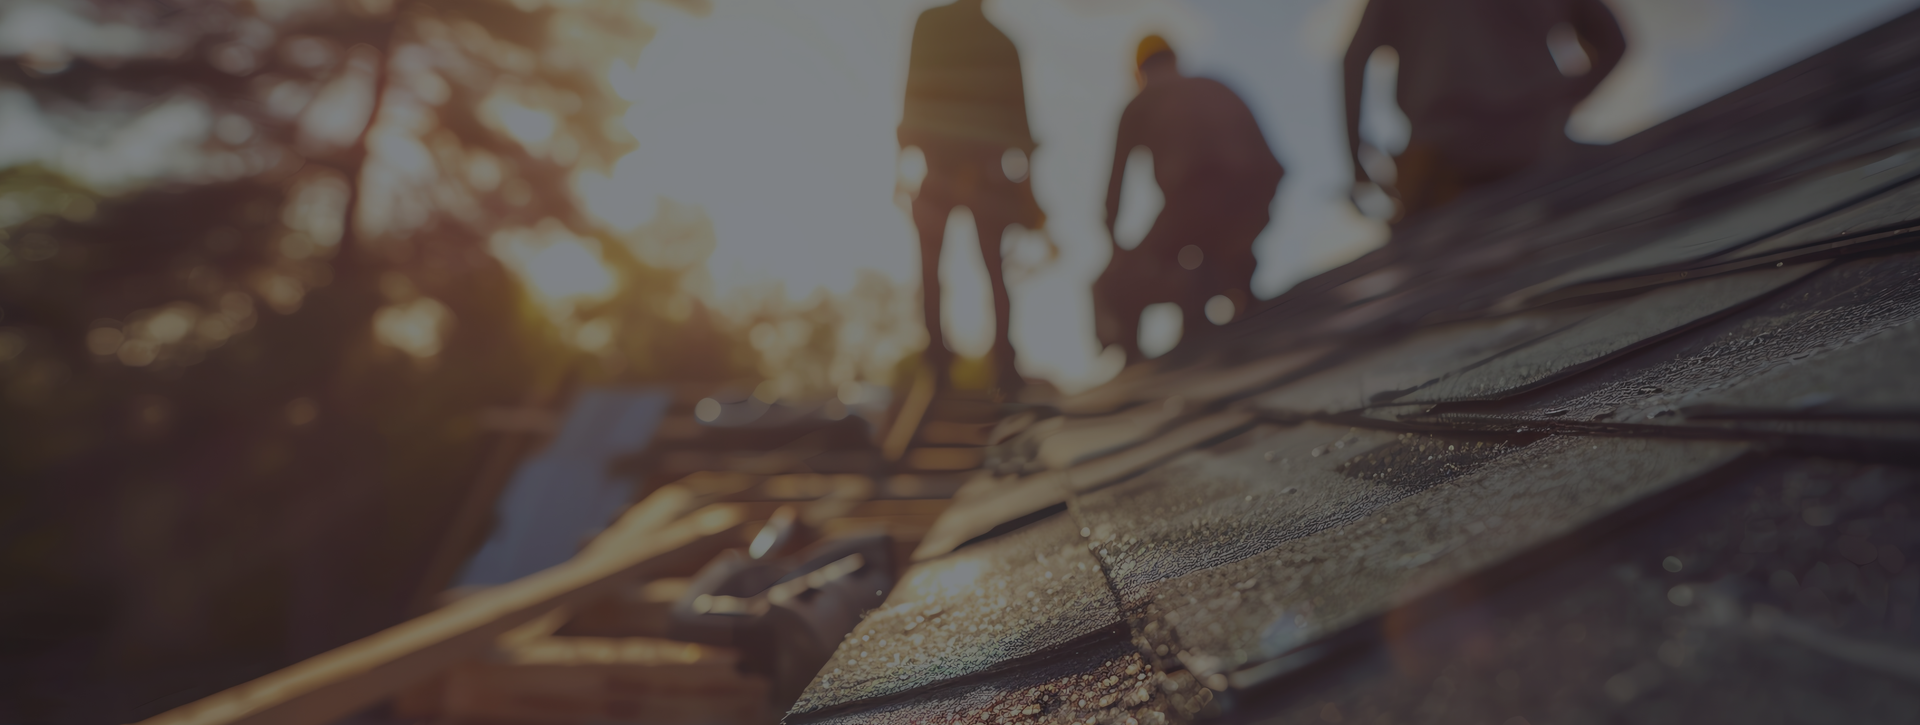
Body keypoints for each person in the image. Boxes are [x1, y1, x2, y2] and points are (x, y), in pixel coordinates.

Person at [1344, 0, 1627, 222]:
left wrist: (1358, 161)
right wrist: (1557, 102)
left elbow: (1354, 60)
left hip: (1446, 171)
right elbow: (1614, 42)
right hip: (1539, 149)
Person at [1094, 35, 1284, 363]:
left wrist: (1120, 255)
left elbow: (1113, 199)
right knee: (1199, 247)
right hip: (1259, 200)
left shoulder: (1141, 102)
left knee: (1113, 286)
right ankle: (1230, 272)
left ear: (1137, 71)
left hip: (1199, 202)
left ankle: (1135, 361)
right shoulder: (1215, 84)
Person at [899, 0, 1047, 395]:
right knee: (991, 271)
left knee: (938, 270)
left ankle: (945, 362)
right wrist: (1028, 195)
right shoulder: (1002, 42)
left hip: (952, 169)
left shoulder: (932, 24)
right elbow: (1022, 129)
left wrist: (901, 163)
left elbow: (913, 93)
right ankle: (1000, 365)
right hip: (982, 173)